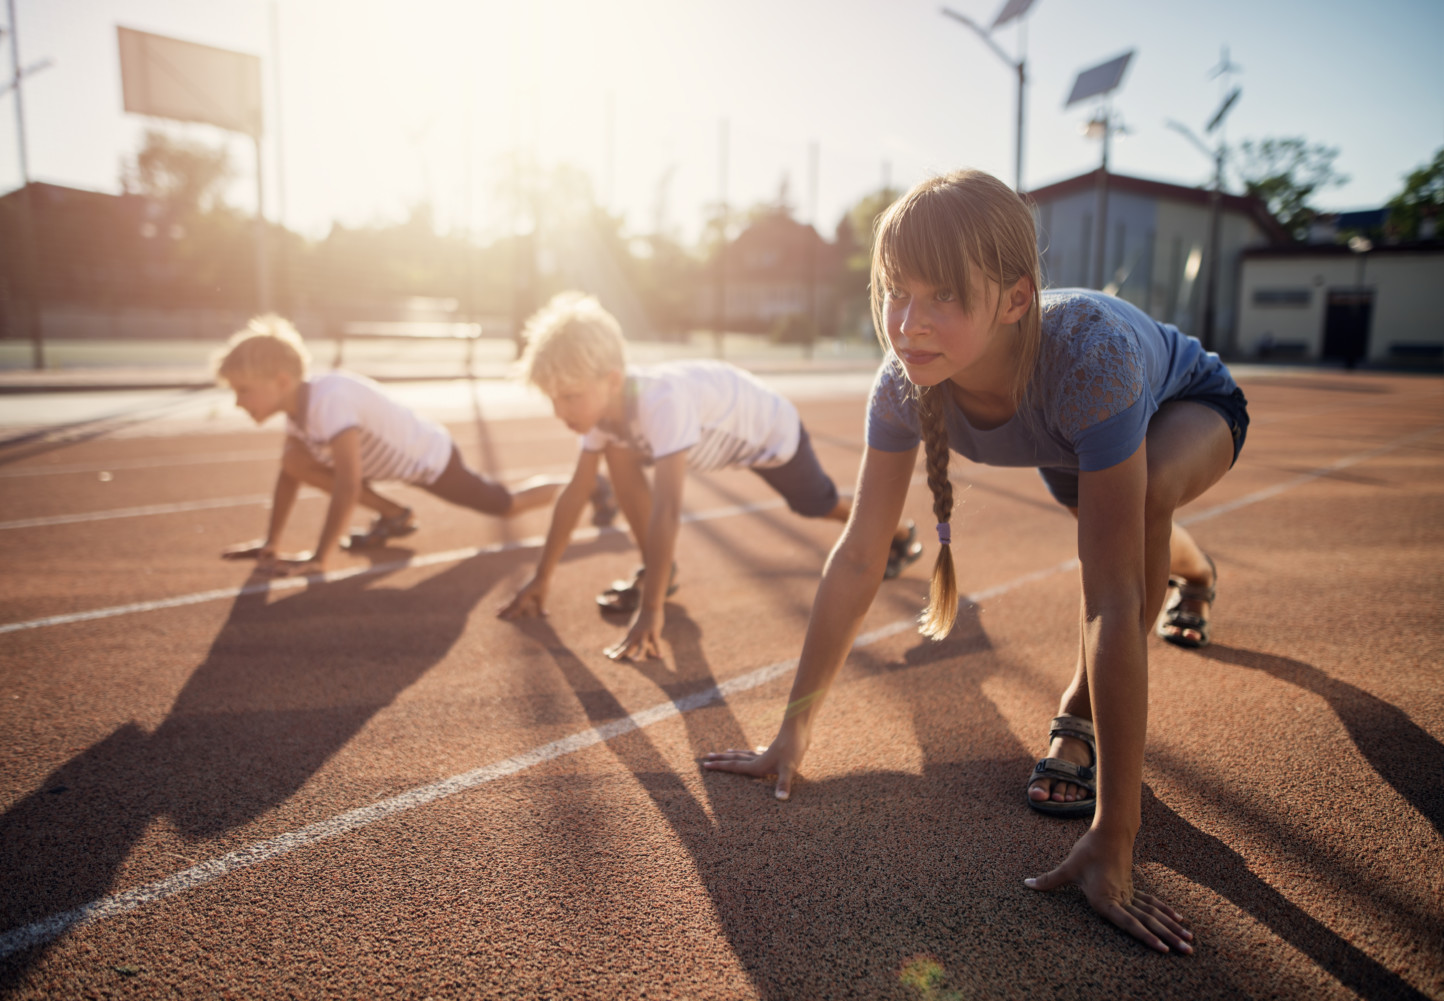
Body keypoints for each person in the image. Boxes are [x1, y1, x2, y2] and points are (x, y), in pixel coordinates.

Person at [702, 170, 1250, 955]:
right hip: (1076, 440)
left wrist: (1115, 835)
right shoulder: (900, 386)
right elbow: (860, 555)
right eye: (897, 292)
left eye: (944, 298)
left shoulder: (1088, 359)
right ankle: (1196, 573)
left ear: (1017, 297)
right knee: (1131, 525)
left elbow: (1114, 604)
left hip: (1188, 406)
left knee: (1147, 503)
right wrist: (790, 734)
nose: (909, 324)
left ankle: (1079, 712)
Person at [496, 292, 924, 660]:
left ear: (611, 381)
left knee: (816, 505)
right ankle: (658, 571)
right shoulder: (602, 415)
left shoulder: (660, 404)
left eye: (569, 397)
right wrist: (542, 577)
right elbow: (576, 492)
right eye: (553, 399)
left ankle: (897, 534)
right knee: (617, 454)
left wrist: (650, 610)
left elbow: (667, 510)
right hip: (721, 429)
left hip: (770, 434)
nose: (560, 412)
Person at [215, 315, 612, 576]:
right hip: (390, 464)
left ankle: (593, 486)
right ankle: (395, 516)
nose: (238, 402)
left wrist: (321, 557)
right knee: (293, 460)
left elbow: (348, 484)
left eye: (244, 390)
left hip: (430, 459)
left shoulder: (328, 401)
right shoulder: (298, 411)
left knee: (504, 504)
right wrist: (272, 543)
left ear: (282, 381)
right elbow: (290, 475)